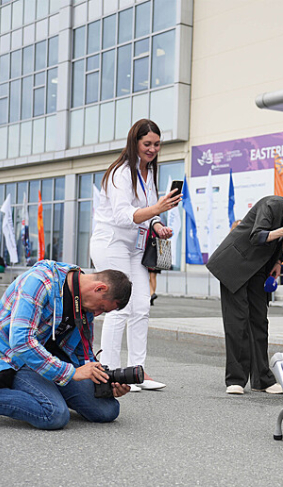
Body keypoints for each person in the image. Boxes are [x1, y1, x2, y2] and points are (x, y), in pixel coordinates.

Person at [0, 260, 133, 429]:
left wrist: (104, 383)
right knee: (54, 414)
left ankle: (47, 392)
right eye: (100, 307)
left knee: (108, 410)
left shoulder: (83, 301)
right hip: (14, 356)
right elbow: (21, 343)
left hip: (49, 359)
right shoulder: (41, 282)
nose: (97, 313)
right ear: (99, 288)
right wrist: (70, 374)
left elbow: (83, 353)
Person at [207, 181, 283, 395]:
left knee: (259, 321)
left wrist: (278, 261)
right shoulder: (272, 204)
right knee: (238, 322)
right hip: (234, 264)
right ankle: (235, 379)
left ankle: (262, 379)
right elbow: (257, 235)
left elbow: (278, 243)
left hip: (259, 269)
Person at [89, 119, 181, 392]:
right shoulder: (121, 172)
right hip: (111, 243)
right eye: (147, 144)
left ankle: (137, 372)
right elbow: (122, 216)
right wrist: (156, 209)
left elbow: (144, 214)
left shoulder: (148, 172)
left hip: (135, 247)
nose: (152, 149)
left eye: (156, 144)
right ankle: (109, 373)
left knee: (142, 306)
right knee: (119, 306)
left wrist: (157, 224)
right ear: (135, 143)